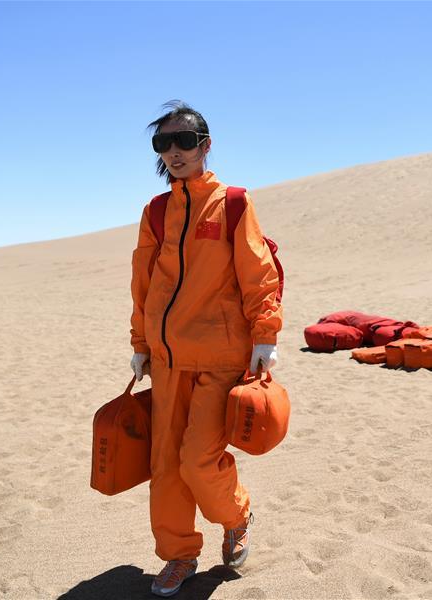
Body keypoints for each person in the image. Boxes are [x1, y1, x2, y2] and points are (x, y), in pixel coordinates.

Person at [129, 101, 283, 597]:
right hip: (168, 361)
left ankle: (236, 517)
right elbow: (144, 285)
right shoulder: (155, 211)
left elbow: (258, 273)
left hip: (220, 357)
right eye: (163, 144)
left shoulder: (233, 202)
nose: (174, 152)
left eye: (184, 141)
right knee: (166, 468)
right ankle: (178, 555)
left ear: (205, 144)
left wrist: (265, 335)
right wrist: (140, 343)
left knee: (198, 461)